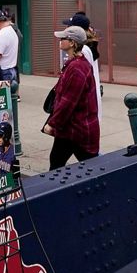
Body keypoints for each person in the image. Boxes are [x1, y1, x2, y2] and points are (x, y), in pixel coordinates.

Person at [44, 26, 99, 169]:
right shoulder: (76, 63)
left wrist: (52, 124)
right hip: (72, 127)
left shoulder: (77, 68)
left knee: (88, 165)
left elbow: (68, 102)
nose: (60, 41)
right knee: (57, 160)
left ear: (72, 43)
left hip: (77, 128)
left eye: (63, 38)